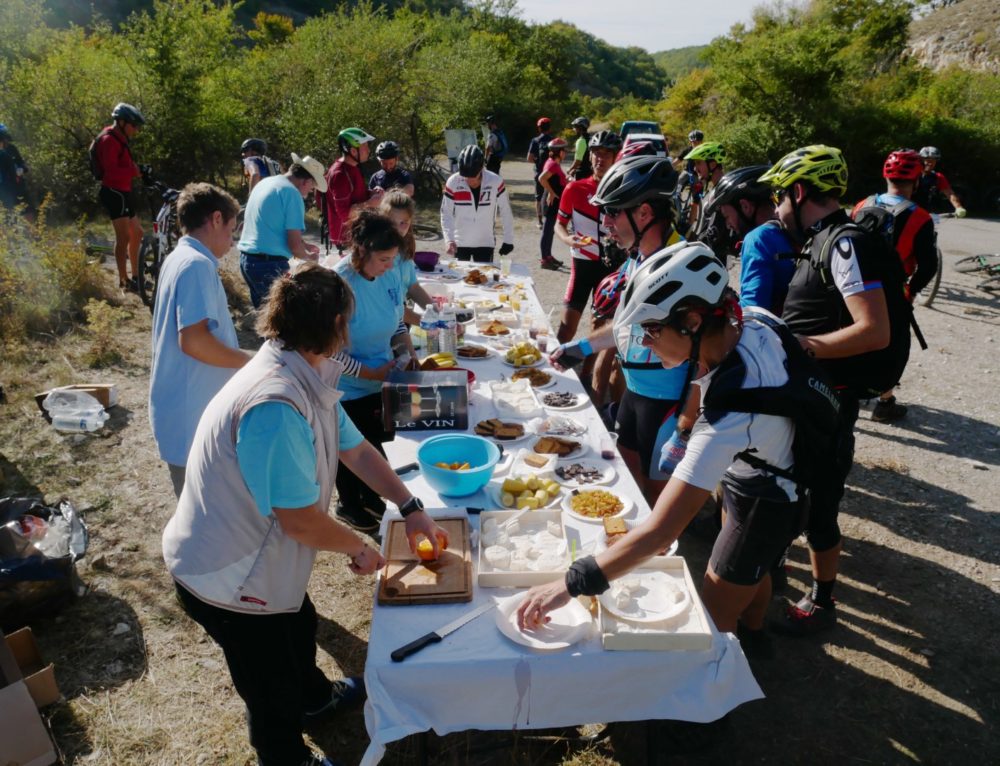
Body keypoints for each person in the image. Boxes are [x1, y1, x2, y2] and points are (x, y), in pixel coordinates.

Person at [162, 264, 447, 766]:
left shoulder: (304, 369)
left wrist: (410, 506)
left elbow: (356, 451)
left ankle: (314, 699)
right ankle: (285, 755)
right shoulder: (273, 402)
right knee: (268, 684)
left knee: (298, 621)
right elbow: (298, 521)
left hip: (254, 555)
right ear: (338, 324)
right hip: (223, 575)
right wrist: (360, 547)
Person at [518, 244, 804, 654]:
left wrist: (569, 584)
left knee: (716, 602)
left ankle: (715, 697)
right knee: (752, 567)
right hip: (763, 460)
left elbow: (661, 531)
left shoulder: (730, 416)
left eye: (651, 330)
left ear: (691, 320)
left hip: (772, 490)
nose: (645, 343)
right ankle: (756, 636)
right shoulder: (751, 320)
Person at [762, 144, 909, 635]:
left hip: (828, 400)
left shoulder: (843, 243)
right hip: (809, 394)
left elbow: (874, 330)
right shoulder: (823, 239)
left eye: (781, 196)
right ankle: (784, 570)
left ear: (800, 191)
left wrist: (801, 346)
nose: (777, 208)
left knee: (820, 500)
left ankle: (824, 603)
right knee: (794, 487)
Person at [551, 155, 687, 504]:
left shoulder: (680, 264)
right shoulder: (639, 256)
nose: (604, 222)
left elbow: (674, 347)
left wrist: (584, 347)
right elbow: (627, 326)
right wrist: (579, 348)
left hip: (666, 401)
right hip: (636, 393)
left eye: (612, 212)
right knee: (627, 487)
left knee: (656, 499)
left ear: (644, 213)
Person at [149, 183, 251, 498]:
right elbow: (194, 341)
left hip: (183, 409)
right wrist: (252, 363)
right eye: (232, 230)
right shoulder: (196, 265)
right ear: (216, 219)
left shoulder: (181, 256)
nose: (232, 242)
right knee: (201, 518)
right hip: (190, 415)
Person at [332, 211, 414, 532]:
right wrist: (370, 373)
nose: (390, 266)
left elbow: (396, 320)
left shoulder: (389, 274)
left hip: (382, 378)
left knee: (380, 446)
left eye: (393, 258)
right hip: (347, 387)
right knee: (353, 450)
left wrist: (407, 352)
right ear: (361, 251)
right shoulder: (339, 284)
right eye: (383, 259)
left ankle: (371, 499)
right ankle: (349, 506)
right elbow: (330, 351)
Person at [853, 148, 937, 423]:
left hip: (853, 286)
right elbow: (928, 265)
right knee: (892, 345)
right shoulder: (920, 217)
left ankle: (845, 388)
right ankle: (884, 401)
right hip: (891, 291)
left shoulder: (862, 205)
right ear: (916, 181)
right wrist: (911, 293)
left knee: (851, 334)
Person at [553, 129, 623, 404]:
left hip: (610, 268)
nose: (599, 159)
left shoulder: (620, 191)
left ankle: (586, 379)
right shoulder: (574, 188)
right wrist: (567, 237)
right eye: (595, 153)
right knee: (565, 328)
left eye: (605, 154)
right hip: (582, 264)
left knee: (598, 328)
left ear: (615, 157)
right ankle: (554, 375)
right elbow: (559, 222)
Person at [702, 165, 795, 314]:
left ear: (745, 206)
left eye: (727, 216)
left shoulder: (758, 240)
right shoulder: (788, 230)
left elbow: (753, 313)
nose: (728, 225)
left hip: (777, 334)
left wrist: (727, 302)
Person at [237, 152, 326, 308]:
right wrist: (310, 259)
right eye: (312, 188)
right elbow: (294, 247)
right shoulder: (292, 194)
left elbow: (272, 224)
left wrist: (304, 244)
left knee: (264, 320)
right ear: (306, 182)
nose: (308, 194)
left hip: (248, 260)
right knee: (280, 322)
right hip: (268, 265)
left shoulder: (267, 183)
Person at [93, 103, 145, 292]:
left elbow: (123, 165)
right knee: (123, 237)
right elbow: (111, 171)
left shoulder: (120, 138)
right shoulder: (109, 140)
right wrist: (133, 171)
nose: (136, 130)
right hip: (114, 193)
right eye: (134, 125)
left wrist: (136, 169)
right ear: (122, 122)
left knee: (137, 233)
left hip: (124, 191)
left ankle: (136, 276)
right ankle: (124, 281)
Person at [440, 144, 514, 264]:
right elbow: (446, 213)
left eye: (473, 176)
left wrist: (508, 240)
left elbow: (506, 210)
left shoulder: (495, 181)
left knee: (485, 280)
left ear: (481, 168)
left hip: (485, 242)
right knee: (460, 280)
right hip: (460, 243)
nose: (469, 180)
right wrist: (449, 240)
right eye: (465, 176)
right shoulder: (453, 182)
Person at [322, 127, 383, 252]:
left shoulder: (352, 167)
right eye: (365, 146)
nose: (369, 150)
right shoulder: (340, 174)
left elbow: (355, 195)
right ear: (353, 151)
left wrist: (370, 193)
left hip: (356, 233)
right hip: (346, 239)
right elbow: (344, 213)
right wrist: (370, 203)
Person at [381, 190, 432, 324]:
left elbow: (413, 286)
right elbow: (391, 307)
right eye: (392, 223)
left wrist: (436, 311)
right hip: (384, 326)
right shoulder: (379, 257)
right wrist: (428, 323)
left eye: (404, 223)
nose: (398, 229)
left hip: (399, 324)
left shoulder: (403, 250)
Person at [538, 137, 569, 270]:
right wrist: (551, 192)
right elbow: (541, 178)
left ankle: (549, 256)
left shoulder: (553, 162)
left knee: (550, 231)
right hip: (551, 201)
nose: (566, 152)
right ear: (559, 152)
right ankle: (544, 260)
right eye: (564, 150)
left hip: (554, 201)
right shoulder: (552, 164)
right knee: (547, 230)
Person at [913, 146, 966, 217]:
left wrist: (959, 207)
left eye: (933, 161)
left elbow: (950, 194)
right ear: (921, 160)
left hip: (926, 214)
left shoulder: (938, 177)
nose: (930, 163)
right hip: (909, 211)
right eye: (928, 160)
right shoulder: (913, 174)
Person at [0, 124, 33, 218]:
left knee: (27, 210)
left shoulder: (12, 149)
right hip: (3, 190)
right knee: (7, 215)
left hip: (18, 186)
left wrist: (21, 169)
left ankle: (31, 231)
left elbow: (23, 165)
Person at [527, 117, 554, 228]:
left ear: (539, 128)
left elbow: (529, 158)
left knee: (538, 197)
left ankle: (539, 221)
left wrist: (537, 162)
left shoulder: (535, 141)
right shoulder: (553, 141)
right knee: (551, 194)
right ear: (549, 128)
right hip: (551, 172)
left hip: (538, 173)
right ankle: (550, 219)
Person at [567, 116, 592, 181]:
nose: (574, 129)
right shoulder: (591, 138)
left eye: (575, 127)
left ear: (580, 128)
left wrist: (570, 170)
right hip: (591, 171)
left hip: (582, 173)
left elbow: (578, 160)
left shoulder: (581, 141)